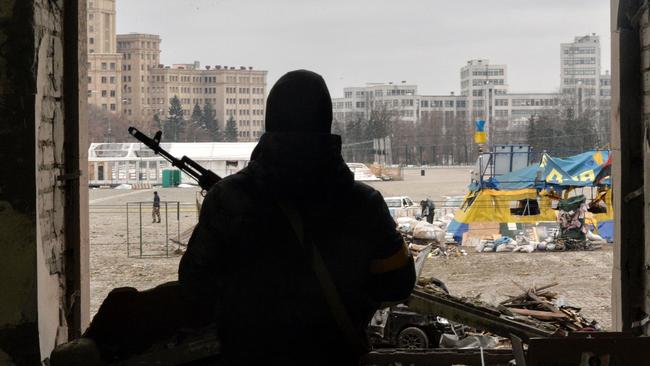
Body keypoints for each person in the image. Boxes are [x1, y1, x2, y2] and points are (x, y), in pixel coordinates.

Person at [179, 70, 415, 365]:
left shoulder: (227, 200)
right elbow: (398, 285)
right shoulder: (365, 204)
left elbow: (194, 291)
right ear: (325, 124)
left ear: (269, 121)